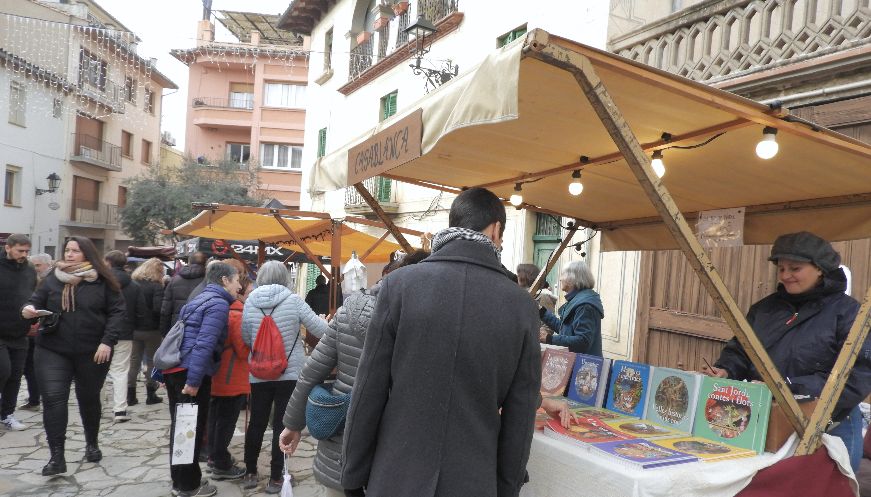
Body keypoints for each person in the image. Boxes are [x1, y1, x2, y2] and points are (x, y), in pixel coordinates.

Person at [341, 187, 541, 497]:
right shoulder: (521, 305)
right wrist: (507, 487)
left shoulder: (399, 286)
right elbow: (521, 414)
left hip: (396, 476)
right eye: (501, 237)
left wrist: (353, 475)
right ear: (496, 229)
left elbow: (368, 391)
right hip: (474, 481)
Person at [704, 231, 871, 472]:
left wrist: (787, 386)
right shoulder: (764, 309)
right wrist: (726, 369)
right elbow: (741, 349)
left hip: (831, 425)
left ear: (821, 269)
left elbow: (858, 375)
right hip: (767, 419)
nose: (786, 276)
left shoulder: (849, 313)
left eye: (795, 268)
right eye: (781, 269)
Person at [279, 250, 430, 496]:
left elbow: (311, 371)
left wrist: (292, 424)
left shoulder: (348, 311)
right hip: (397, 444)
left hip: (344, 436)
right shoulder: (424, 321)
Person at [22, 236, 124, 476]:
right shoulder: (51, 279)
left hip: (92, 350)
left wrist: (107, 342)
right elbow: (35, 300)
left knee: (88, 398)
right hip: (52, 349)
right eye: (67, 250)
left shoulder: (103, 281)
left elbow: (118, 313)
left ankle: (92, 443)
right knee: (54, 400)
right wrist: (28, 310)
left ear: (87, 254)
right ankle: (57, 457)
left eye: (75, 251)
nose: (69, 255)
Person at [241, 261, 329, 494]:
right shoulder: (293, 300)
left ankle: (250, 472)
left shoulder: (249, 302)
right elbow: (321, 330)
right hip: (289, 373)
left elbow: (246, 337)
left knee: (257, 422)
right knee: (283, 423)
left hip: (259, 374)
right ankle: (276, 477)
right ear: (285, 277)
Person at [163, 261, 240, 497]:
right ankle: (189, 486)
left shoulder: (200, 298)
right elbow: (204, 344)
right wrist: (194, 381)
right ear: (224, 280)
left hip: (177, 370)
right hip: (189, 373)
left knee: (182, 428)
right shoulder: (217, 305)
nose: (239, 285)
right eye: (236, 279)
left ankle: (181, 481)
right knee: (189, 430)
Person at [206, 258, 251, 481]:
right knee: (225, 421)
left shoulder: (219, 307)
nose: (240, 288)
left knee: (215, 418)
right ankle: (221, 463)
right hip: (232, 378)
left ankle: (215, 457)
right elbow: (243, 351)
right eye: (237, 283)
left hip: (217, 376)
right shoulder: (236, 314)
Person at [104, 250, 146, 423]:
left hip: (101, 333)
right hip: (125, 333)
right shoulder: (135, 285)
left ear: (108, 262)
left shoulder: (101, 282)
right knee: (120, 371)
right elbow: (141, 312)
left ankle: (96, 408)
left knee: (98, 371)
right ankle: (119, 410)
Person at [0, 234, 37, 430]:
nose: (24, 255)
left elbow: (31, 295)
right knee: (3, 370)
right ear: (8, 247)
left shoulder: (29, 270)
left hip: (20, 331)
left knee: (15, 375)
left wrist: (33, 309)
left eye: (26, 251)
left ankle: (7, 414)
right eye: (20, 250)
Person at [540, 261, 604, 357]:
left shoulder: (585, 305)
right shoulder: (577, 299)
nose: (560, 279)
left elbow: (583, 341)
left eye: (563, 275)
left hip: (583, 365)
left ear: (573, 278)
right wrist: (541, 311)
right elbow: (564, 329)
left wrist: (550, 339)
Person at [129, 258, 166, 406]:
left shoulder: (133, 284)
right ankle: (151, 395)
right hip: (152, 329)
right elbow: (158, 308)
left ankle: (130, 395)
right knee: (151, 361)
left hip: (134, 329)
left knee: (133, 361)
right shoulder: (156, 286)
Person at [20, 252, 52, 411]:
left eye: (38, 265)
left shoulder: (48, 282)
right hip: (33, 328)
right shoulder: (33, 279)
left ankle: (35, 399)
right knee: (30, 366)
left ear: (48, 264)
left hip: (39, 329)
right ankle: (35, 397)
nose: (35, 268)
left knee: (31, 366)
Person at [160, 252, 207, 334]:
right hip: (200, 327)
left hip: (177, 326)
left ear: (189, 262)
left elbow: (166, 309)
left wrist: (164, 332)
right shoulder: (209, 282)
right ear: (205, 263)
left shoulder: (174, 280)